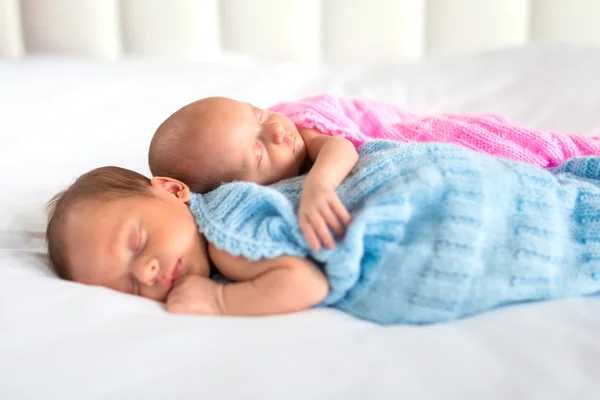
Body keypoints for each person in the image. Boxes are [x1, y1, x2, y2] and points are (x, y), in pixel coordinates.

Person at [47, 140, 600, 325]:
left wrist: (217, 300)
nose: (145, 273)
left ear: (171, 189)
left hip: (434, 198)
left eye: (138, 244)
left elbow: (304, 284)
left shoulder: (222, 232)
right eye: (125, 285)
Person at [148, 94, 600, 250]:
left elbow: (341, 145)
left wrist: (320, 184)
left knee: (500, 144)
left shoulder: (303, 129)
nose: (278, 132)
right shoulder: (242, 202)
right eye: (258, 150)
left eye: (257, 114)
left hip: (401, 130)